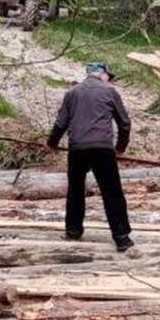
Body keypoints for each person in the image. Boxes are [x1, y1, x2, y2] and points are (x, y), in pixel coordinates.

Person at [47, 62, 134, 252]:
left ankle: (73, 230)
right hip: (102, 148)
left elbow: (61, 123)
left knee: (75, 189)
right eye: (108, 76)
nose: (109, 80)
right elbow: (124, 123)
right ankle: (121, 236)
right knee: (112, 191)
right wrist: (120, 148)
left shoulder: (72, 93)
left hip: (77, 148)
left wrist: (51, 143)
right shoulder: (110, 92)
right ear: (102, 74)